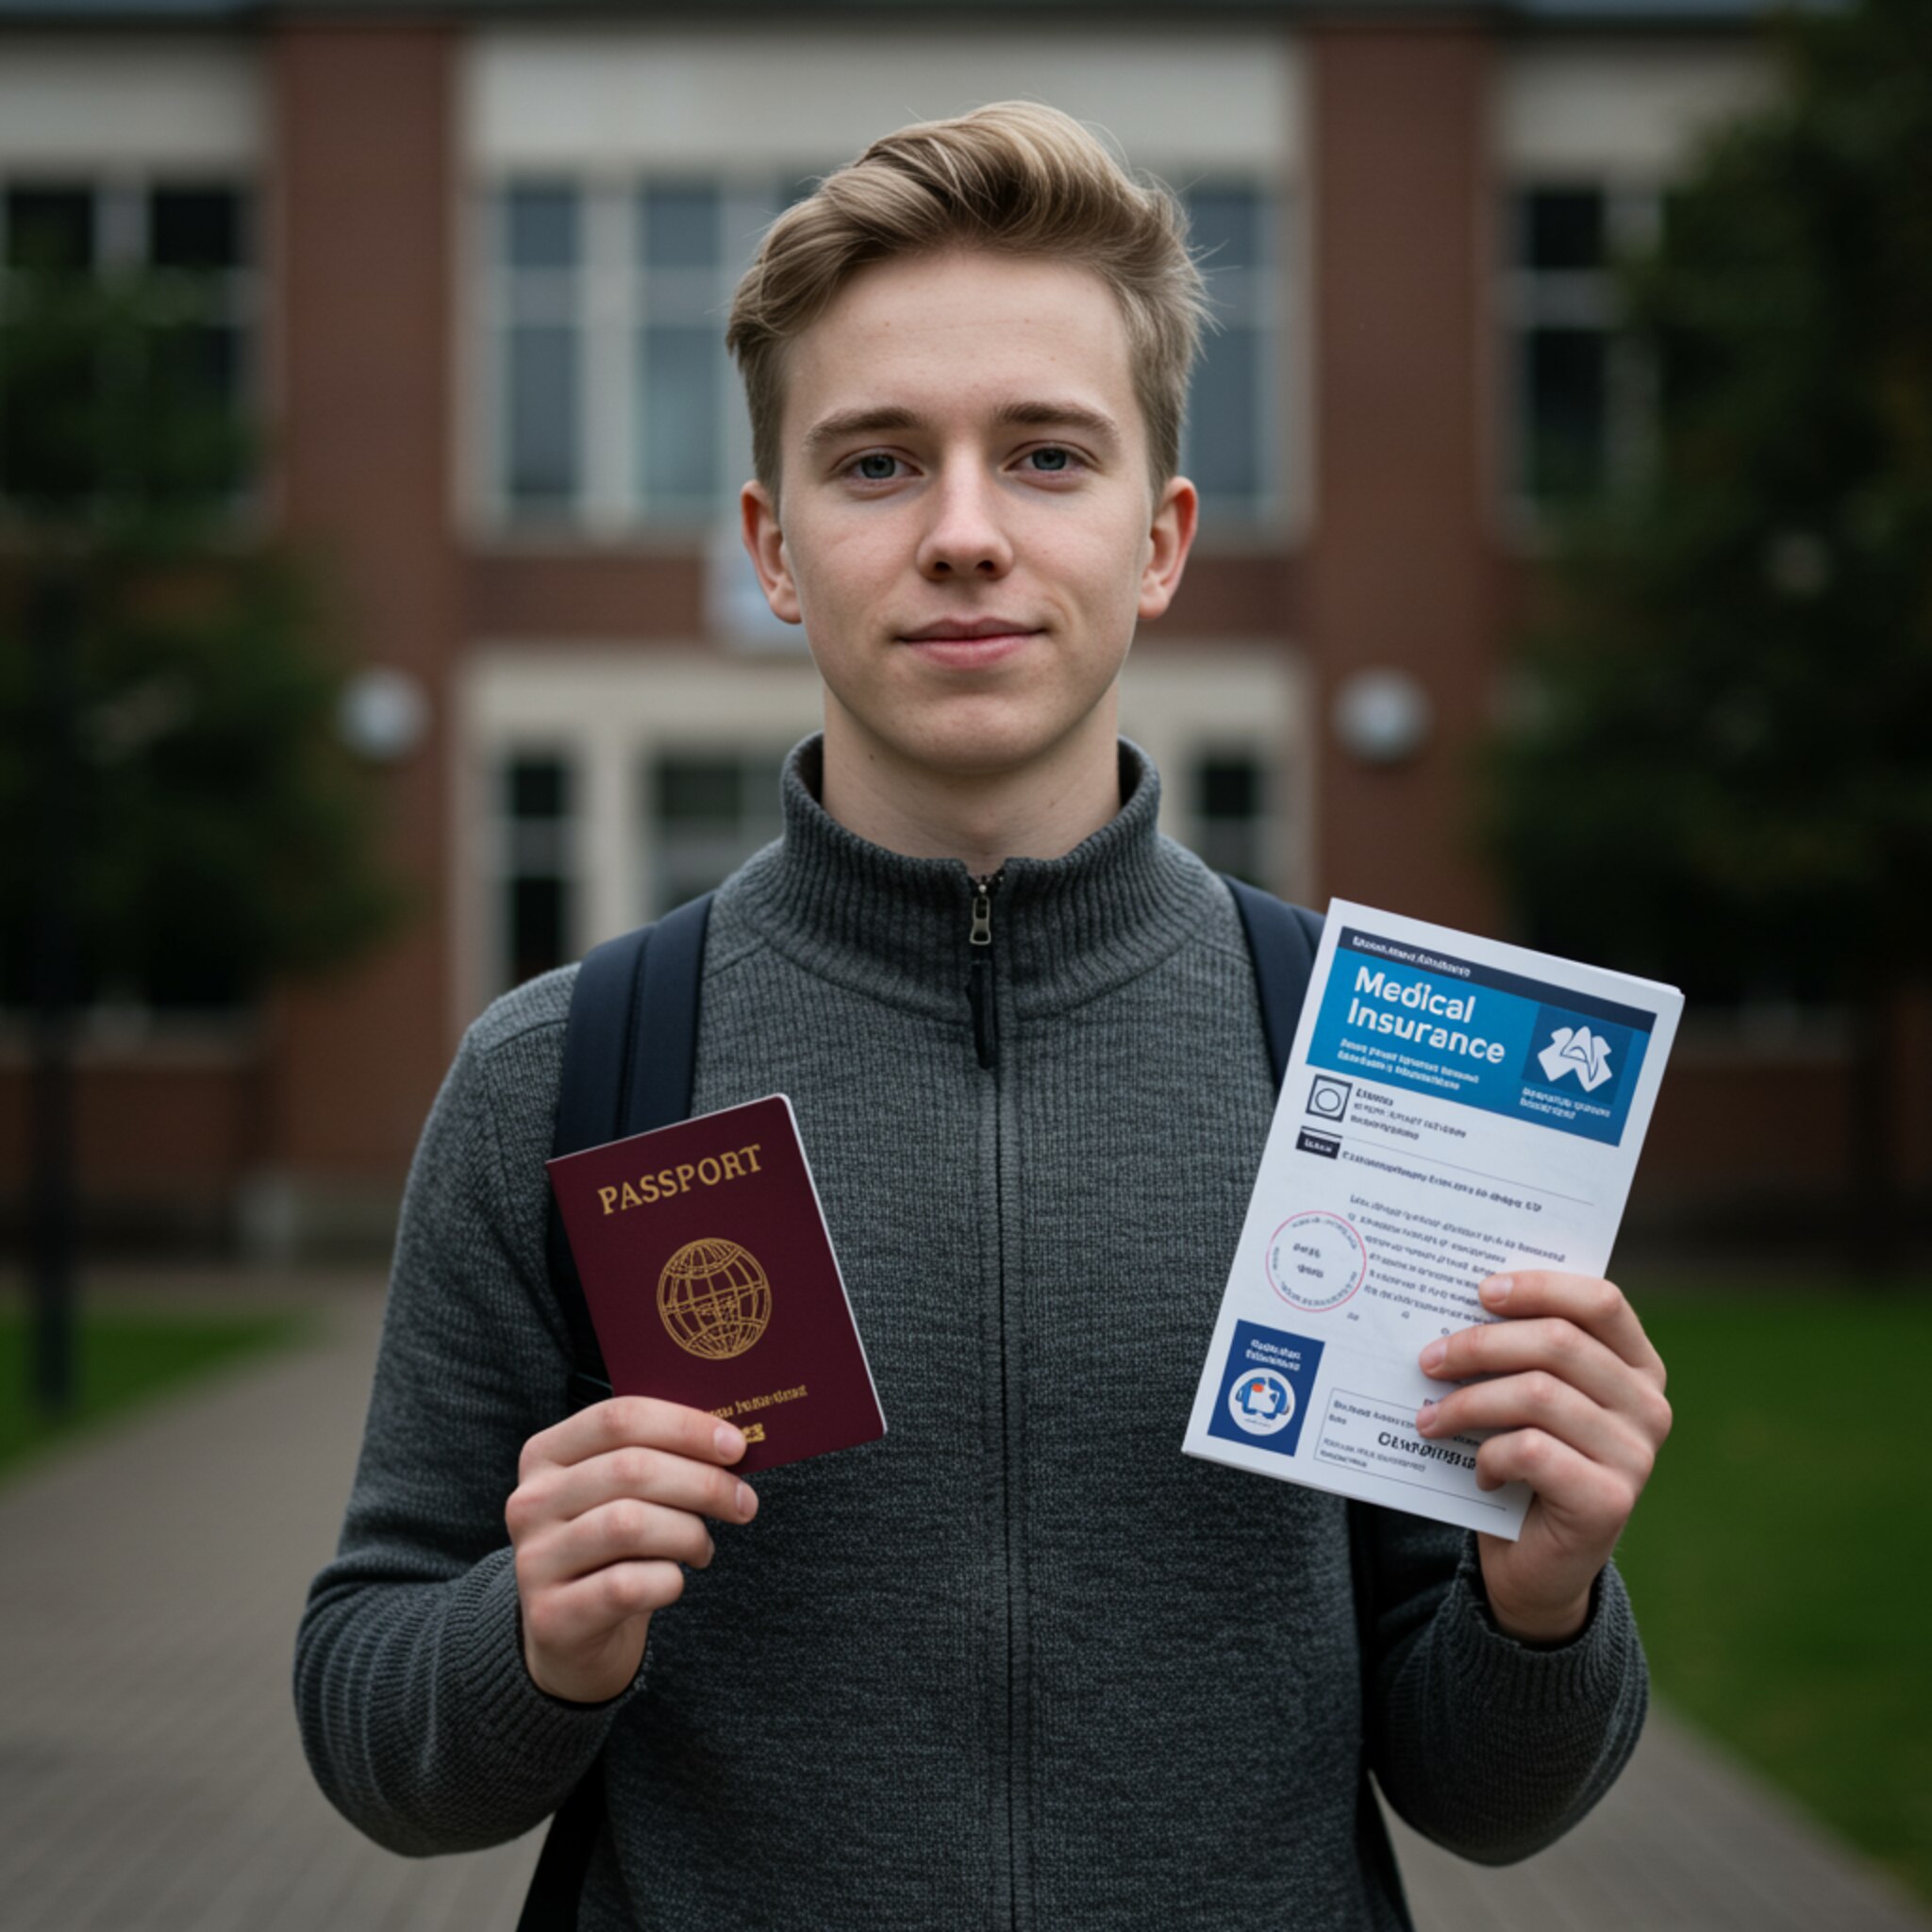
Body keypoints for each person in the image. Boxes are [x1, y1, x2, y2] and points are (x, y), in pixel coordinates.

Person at [296, 101, 1672, 1930]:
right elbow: (367, 1713)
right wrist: (527, 1639)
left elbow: (1481, 1801)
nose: (962, 534)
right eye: (876, 463)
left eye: (1045, 456)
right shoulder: (564, 1076)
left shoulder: (1364, 1072)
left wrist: (1546, 1597)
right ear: (773, 549)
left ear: (1160, 539)